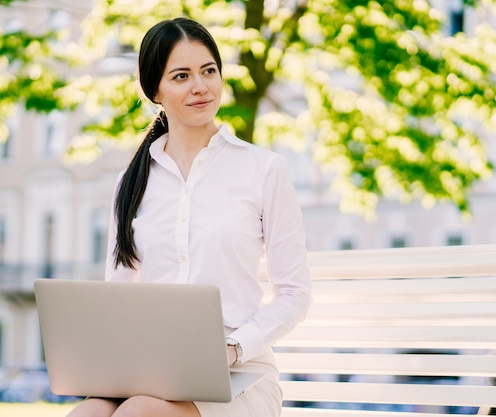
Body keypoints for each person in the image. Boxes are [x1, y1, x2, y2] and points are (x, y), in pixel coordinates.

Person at [67, 17, 312, 417]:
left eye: (209, 71)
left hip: (239, 374)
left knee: (139, 413)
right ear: (155, 90)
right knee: (87, 413)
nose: (201, 86)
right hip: (149, 369)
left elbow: (294, 294)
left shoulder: (264, 169)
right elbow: (120, 296)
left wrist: (231, 349)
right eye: (181, 76)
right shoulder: (131, 183)